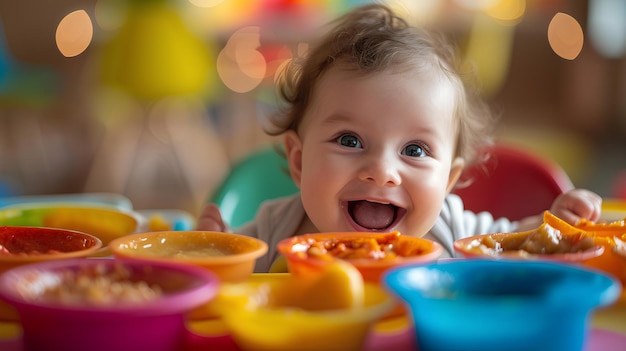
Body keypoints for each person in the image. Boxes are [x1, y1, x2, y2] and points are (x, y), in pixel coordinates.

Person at [196, 4, 602, 272]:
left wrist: (557, 223)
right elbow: (224, 280)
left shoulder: (451, 229)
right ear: (299, 162)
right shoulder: (273, 229)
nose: (382, 172)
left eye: (414, 150)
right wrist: (211, 253)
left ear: (446, 180)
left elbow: (514, 242)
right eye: (350, 141)